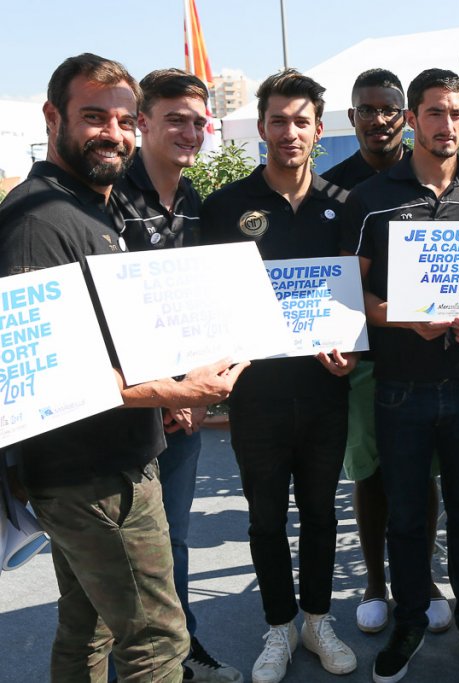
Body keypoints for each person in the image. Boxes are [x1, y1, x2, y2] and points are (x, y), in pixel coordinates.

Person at [0, 53, 247, 683]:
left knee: (88, 629)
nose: (111, 132)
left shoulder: (89, 207)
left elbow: (109, 340)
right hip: (96, 479)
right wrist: (179, 388)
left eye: (121, 119)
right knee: (157, 644)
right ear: (52, 117)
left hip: (100, 465)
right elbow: (44, 376)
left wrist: (167, 388)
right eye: (92, 117)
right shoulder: (40, 223)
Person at [344, 68, 459, 683]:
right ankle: (410, 618)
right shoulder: (371, 198)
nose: (447, 126)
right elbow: (349, 294)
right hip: (401, 387)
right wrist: (404, 319)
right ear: (412, 119)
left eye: (457, 114)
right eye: (434, 113)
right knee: (407, 516)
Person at [200, 69, 358, 683]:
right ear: (260, 126)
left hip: (325, 390)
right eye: (277, 120)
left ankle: (317, 620)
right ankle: (278, 626)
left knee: (321, 512)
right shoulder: (225, 207)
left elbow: (357, 293)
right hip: (257, 396)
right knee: (265, 517)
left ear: (318, 129)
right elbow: (209, 302)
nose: (288, 132)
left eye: (300, 121)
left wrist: (353, 353)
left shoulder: (344, 207)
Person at [110, 67, 242, 683]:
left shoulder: (194, 202)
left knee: (174, 544)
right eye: (174, 120)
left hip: (184, 413)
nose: (189, 132)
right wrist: (166, 392)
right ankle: (137, 664)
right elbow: (107, 314)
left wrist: (194, 391)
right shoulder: (109, 200)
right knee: (125, 557)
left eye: (198, 121)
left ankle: (182, 648)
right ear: (142, 124)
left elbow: (204, 306)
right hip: (128, 413)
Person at [321, 68, 452, 636]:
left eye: (388, 109)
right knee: (370, 474)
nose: (377, 120)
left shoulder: (433, 180)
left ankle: (419, 579)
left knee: (424, 477)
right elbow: (334, 281)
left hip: (429, 361)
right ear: (351, 119)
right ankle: (376, 582)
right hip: (363, 360)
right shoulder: (332, 187)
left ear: (407, 115)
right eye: (365, 110)